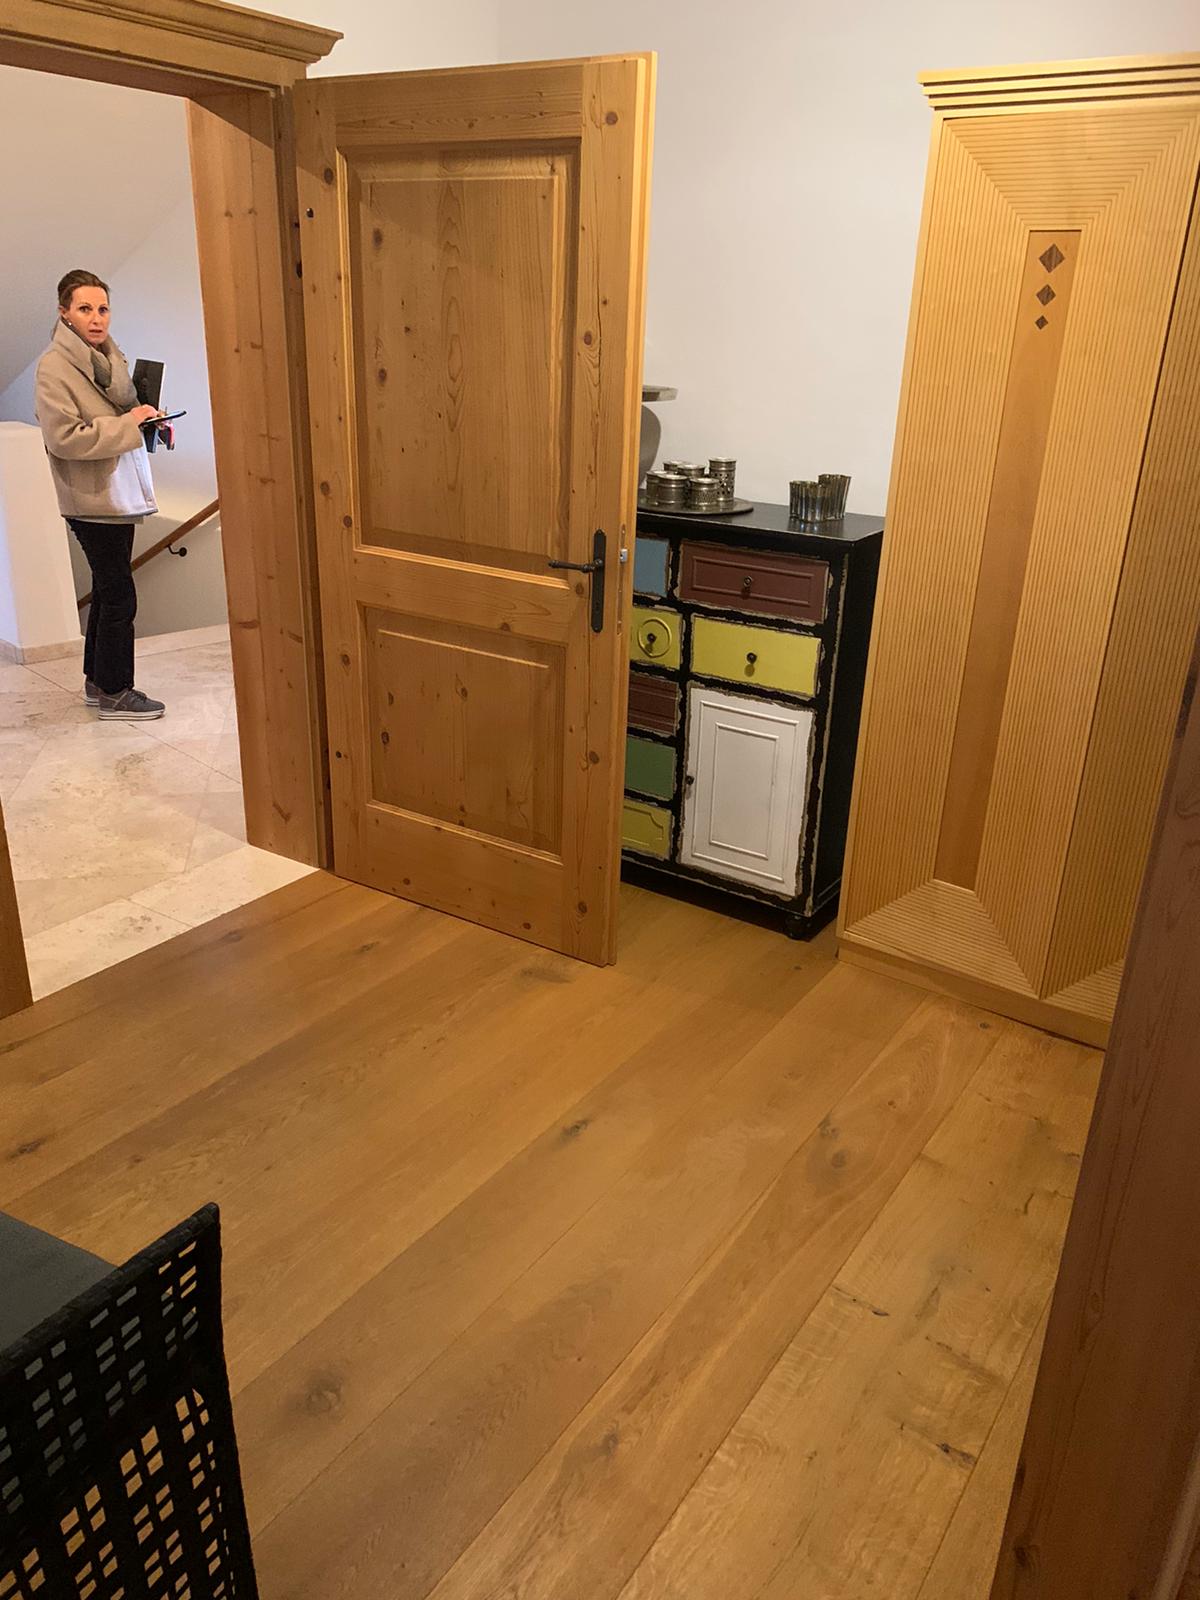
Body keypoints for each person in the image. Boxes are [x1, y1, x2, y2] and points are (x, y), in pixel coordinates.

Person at [34, 269, 167, 720]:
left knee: (109, 590)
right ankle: (115, 691)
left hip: (116, 491)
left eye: (103, 308)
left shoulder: (110, 359)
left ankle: (98, 681)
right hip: (89, 496)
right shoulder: (55, 367)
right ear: (64, 313)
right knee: (119, 593)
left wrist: (145, 417)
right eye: (85, 309)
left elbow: (122, 411)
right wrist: (128, 425)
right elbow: (63, 438)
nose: (96, 318)